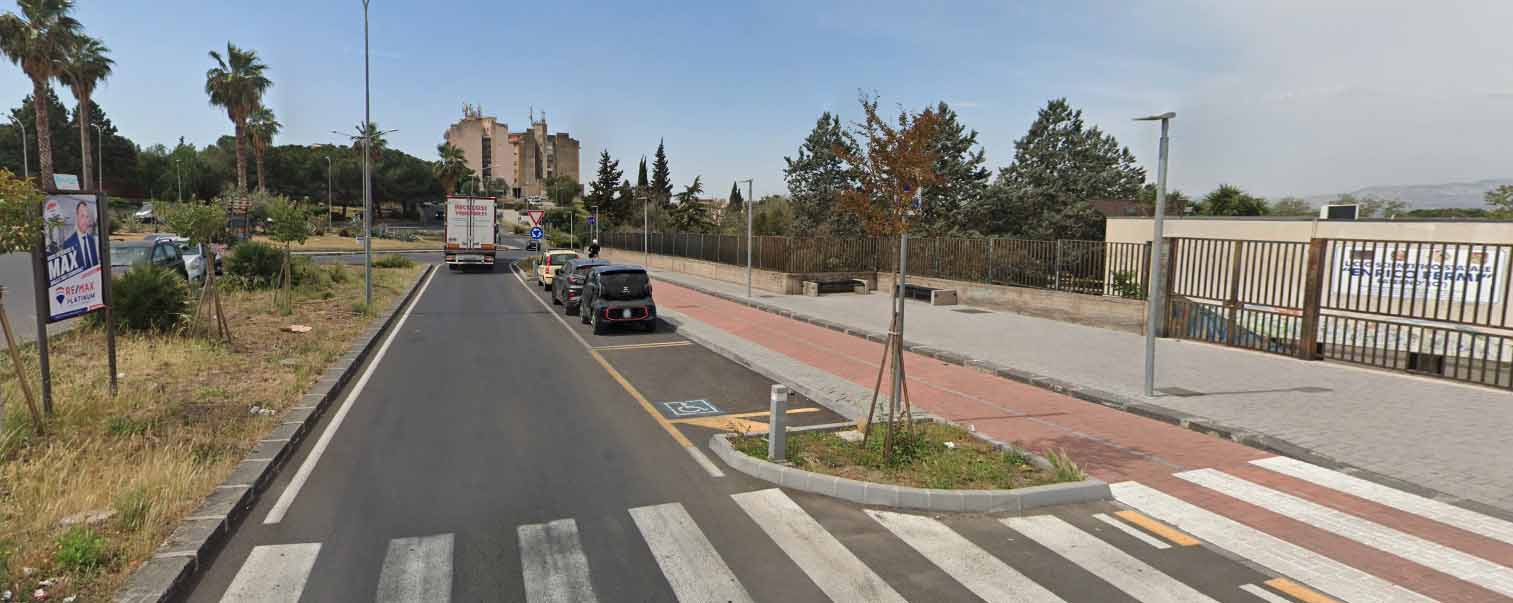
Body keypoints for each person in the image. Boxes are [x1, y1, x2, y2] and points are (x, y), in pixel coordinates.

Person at [61, 201, 100, 271]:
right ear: (77, 217)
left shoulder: (92, 240)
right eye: (82, 216)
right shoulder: (68, 244)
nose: (85, 221)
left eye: (87, 217)